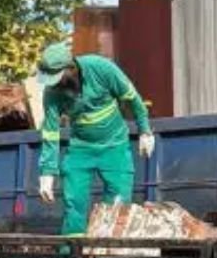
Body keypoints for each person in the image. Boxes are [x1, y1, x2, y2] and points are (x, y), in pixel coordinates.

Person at [36, 42, 154, 236]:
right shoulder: (52, 93)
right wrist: (47, 172)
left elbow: (132, 97)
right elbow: (50, 132)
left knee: (118, 203)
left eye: (57, 77)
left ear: (71, 68)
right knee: (74, 204)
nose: (53, 83)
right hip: (80, 149)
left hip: (115, 146)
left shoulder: (101, 68)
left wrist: (145, 131)